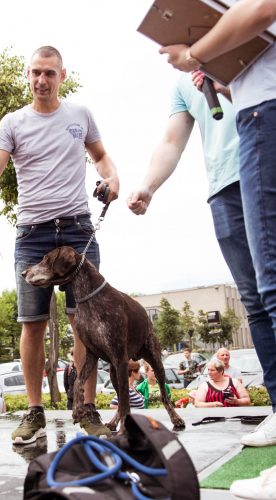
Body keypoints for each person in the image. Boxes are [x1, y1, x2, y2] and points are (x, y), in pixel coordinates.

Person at [0, 46, 119, 444]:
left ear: (62, 76)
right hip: (32, 235)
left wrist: (113, 179)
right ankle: (35, 412)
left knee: (85, 325)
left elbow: (102, 157)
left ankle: (87, 409)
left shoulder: (80, 115)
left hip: (77, 231)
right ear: (28, 74)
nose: (42, 80)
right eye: (36, 72)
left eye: (49, 73)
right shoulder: (12, 122)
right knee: (32, 324)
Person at [159, 0, 276, 453]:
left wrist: (197, 52)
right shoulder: (191, 87)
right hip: (233, 162)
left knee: (272, 287)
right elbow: (171, 139)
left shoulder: (207, 48)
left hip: (263, 123)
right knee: (258, 295)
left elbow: (262, 8)